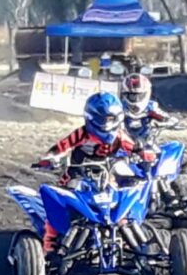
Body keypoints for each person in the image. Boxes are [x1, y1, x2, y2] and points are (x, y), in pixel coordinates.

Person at [35, 92, 155, 254]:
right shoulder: (81, 134)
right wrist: (50, 159)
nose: (106, 124)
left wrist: (145, 154)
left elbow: (135, 148)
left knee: (126, 198)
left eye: (110, 119)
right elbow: (61, 147)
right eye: (102, 119)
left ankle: (130, 236)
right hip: (78, 173)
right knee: (58, 202)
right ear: (90, 117)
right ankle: (50, 241)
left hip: (108, 174)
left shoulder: (120, 136)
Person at [120, 73, 179, 142]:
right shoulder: (119, 106)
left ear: (147, 93)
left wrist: (161, 124)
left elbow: (168, 118)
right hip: (123, 141)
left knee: (174, 146)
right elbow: (109, 116)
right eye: (132, 96)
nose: (136, 99)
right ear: (125, 94)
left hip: (147, 141)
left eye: (140, 95)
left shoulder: (151, 107)